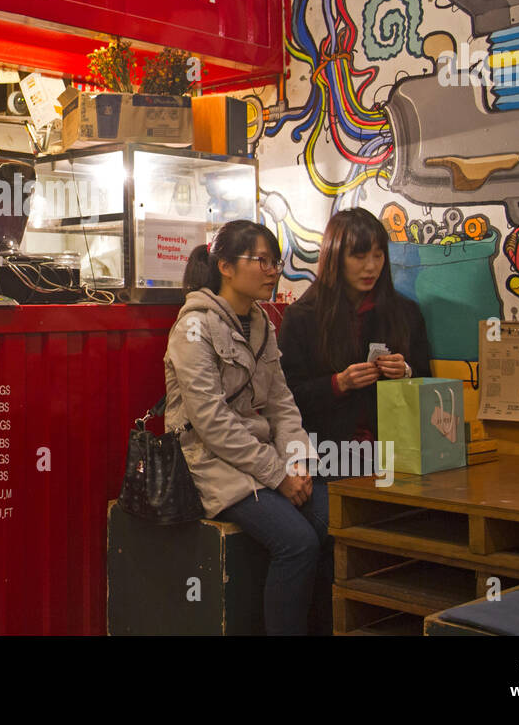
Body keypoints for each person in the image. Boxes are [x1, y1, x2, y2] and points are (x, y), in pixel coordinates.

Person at [163, 219, 330, 635]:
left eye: (275, 261)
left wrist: (298, 462)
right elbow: (211, 424)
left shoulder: (260, 324)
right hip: (211, 463)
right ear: (225, 266)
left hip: (261, 461)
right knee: (297, 541)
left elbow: (281, 403)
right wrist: (278, 476)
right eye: (262, 260)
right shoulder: (193, 327)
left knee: (333, 522)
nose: (272, 271)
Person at [278, 207, 433, 454]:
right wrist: (338, 383)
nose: (371, 267)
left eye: (378, 255)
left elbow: (428, 381)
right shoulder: (302, 316)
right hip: (326, 451)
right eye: (359, 257)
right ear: (335, 257)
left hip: (397, 448)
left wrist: (406, 371)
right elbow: (286, 397)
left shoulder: (405, 312)